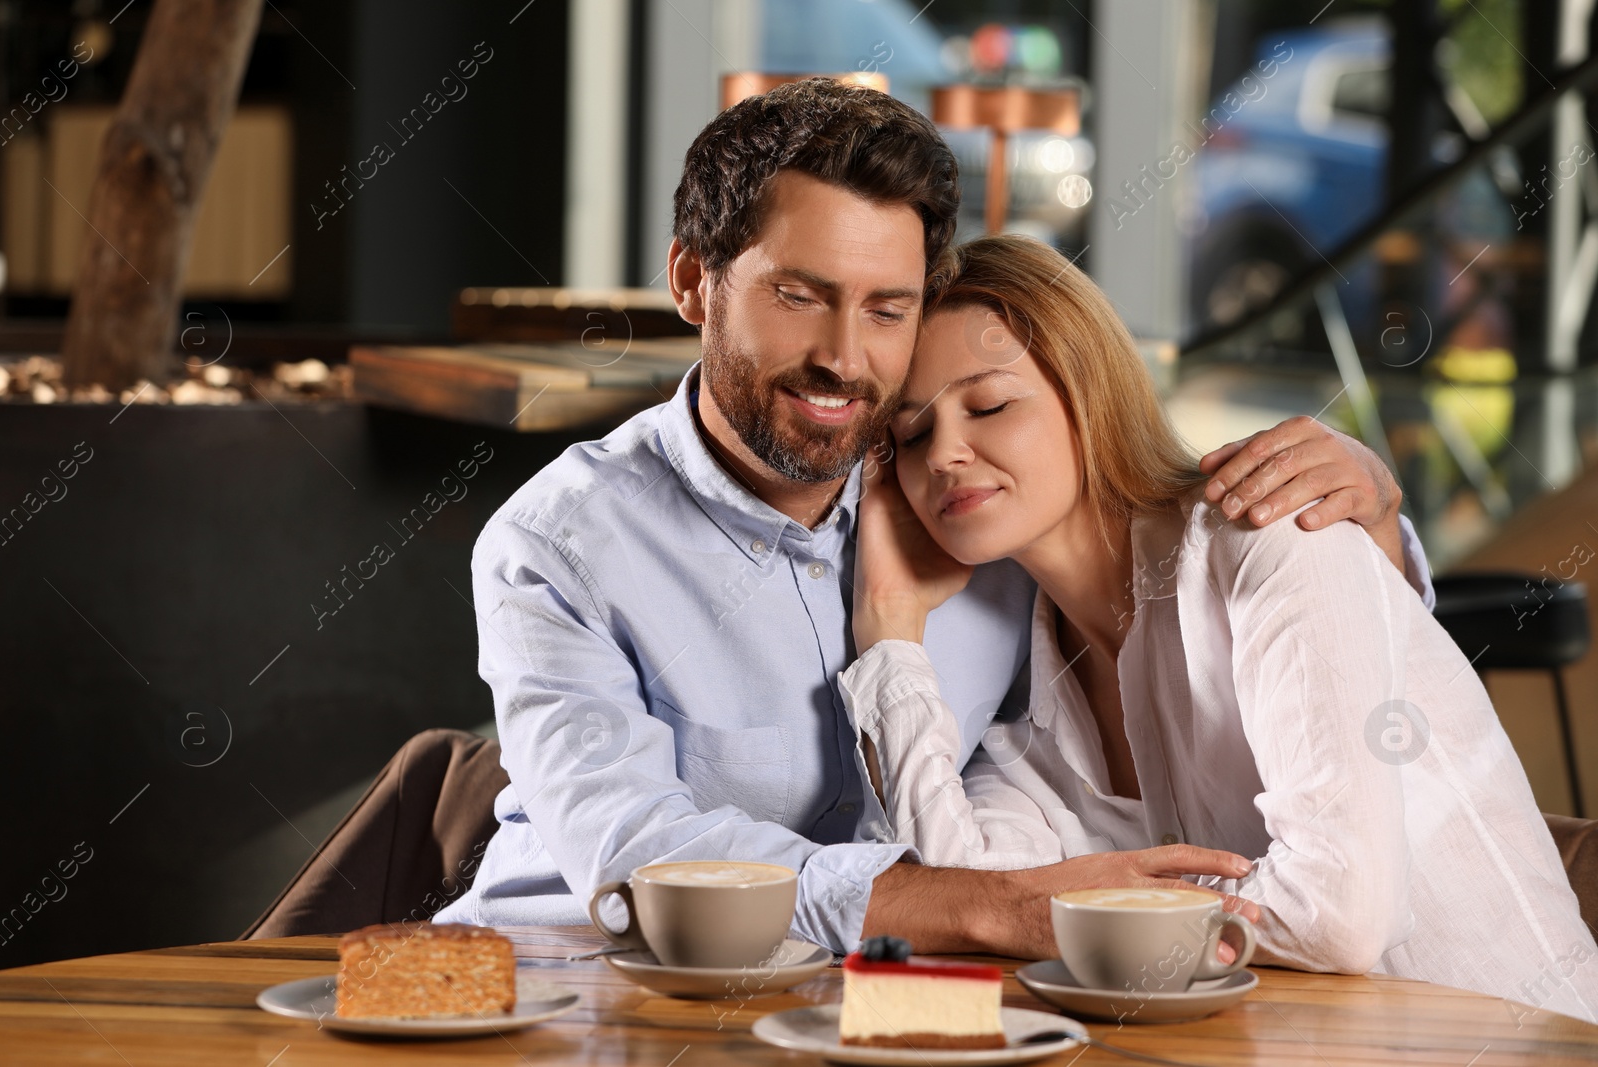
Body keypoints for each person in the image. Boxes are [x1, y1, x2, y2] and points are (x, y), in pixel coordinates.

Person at [437, 79, 1434, 959]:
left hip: (867, 1007)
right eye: (799, 294)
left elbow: (1173, 561)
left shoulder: (966, 503)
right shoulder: (557, 545)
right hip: (566, 980)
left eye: (886, 308)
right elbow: (636, 854)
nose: (842, 355)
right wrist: (987, 908)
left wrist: (1368, 505)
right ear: (694, 281)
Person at [844, 233, 1597, 1019]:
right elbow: (975, 903)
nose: (946, 453)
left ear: (1086, 387)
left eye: (989, 403)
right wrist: (892, 634)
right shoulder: (1034, 711)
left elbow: (1343, 914)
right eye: (911, 434)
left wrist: (1105, 907)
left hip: (1539, 1041)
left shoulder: (1272, 538)